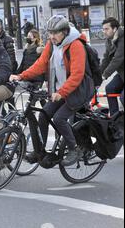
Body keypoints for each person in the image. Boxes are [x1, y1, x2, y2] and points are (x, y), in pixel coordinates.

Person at [10, 15, 91, 166]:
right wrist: (21, 76)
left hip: (78, 91)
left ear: (65, 32)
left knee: (59, 119)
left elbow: (77, 74)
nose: (52, 36)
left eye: (55, 33)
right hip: (61, 90)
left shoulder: (76, 45)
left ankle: (75, 148)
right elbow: (41, 64)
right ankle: (40, 151)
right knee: (43, 116)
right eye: (50, 32)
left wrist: (61, 92)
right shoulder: (52, 44)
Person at [100, 17, 124, 115]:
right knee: (110, 88)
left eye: (106, 29)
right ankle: (116, 120)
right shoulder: (109, 41)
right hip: (122, 74)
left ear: (114, 29)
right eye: (103, 29)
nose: (104, 31)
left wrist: (105, 75)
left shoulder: (122, 39)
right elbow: (106, 59)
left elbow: (117, 59)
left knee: (123, 97)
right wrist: (97, 75)